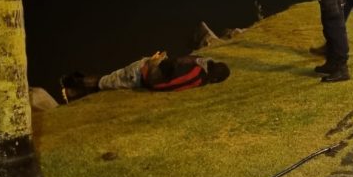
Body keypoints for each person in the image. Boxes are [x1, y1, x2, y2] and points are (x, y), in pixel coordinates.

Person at [59, 51, 231, 103]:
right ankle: (71, 87)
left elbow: (172, 70)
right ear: (214, 79)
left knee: (108, 80)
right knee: (106, 82)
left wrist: (153, 63)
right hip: (144, 70)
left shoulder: (199, 63)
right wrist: (152, 66)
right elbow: (169, 82)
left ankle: (71, 89)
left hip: (144, 68)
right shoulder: (198, 74)